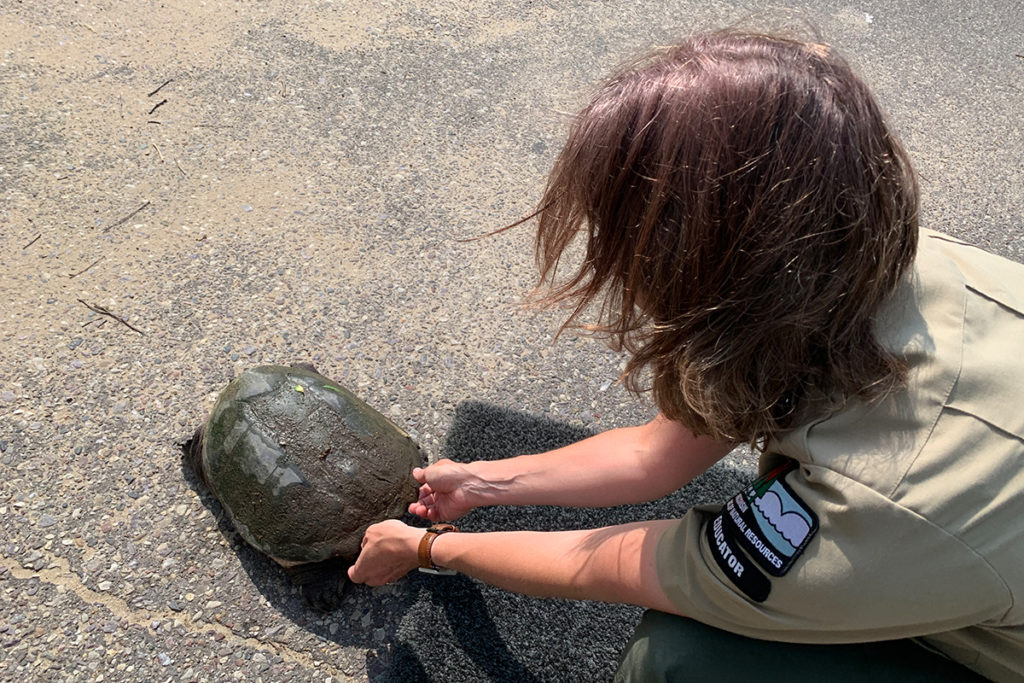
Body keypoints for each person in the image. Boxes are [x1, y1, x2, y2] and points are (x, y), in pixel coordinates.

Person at [347, 29, 1024, 682]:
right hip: (970, 550)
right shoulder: (869, 252)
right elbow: (656, 454)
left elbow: (624, 566)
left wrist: (430, 548)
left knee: (676, 656)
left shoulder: (869, 507)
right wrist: (487, 482)